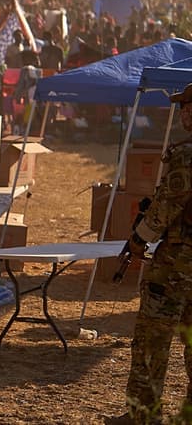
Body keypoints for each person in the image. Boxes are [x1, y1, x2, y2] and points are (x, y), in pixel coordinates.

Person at [111, 83, 192, 423]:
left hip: (176, 264)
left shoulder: (186, 154)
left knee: (151, 343)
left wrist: (140, 239)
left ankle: (143, 416)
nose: (184, 112)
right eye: (183, 106)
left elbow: (167, 204)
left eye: (189, 106)